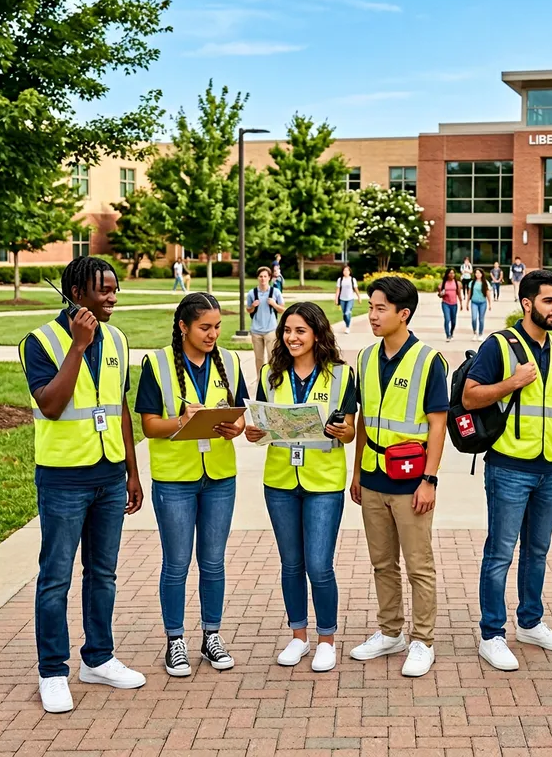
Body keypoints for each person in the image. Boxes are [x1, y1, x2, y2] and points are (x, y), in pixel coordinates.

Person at [18, 256, 145, 714]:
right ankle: (52, 671)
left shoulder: (118, 339)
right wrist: (77, 346)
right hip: (63, 480)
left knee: (104, 574)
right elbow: (51, 405)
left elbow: (120, 407)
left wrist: (132, 471)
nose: (113, 296)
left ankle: (99, 658)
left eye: (115, 287)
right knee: (55, 578)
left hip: (109, 476)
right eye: (103, 289)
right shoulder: (40, 341)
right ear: (76, 294)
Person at [462, 269, 552, 672]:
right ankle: (492, 634)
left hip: (548, 469)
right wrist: (511, 383)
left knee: (538, 551)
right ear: (527, 304)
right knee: (500, 553)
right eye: (549, 301)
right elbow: (469, 395)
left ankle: (530, 622)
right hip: (508, 467)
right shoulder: (499, 346)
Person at [136, 292, 247, 678]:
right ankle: (175, 641)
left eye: (217, 326)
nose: (213, 333)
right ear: (183, 327)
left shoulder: (230, 362)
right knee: (177, 563)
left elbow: (239, 420)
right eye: (205, 327)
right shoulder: (157, 363)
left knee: (213, 562)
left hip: (219, 478)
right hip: (175, 480)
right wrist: (182, 421)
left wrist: (234, 428)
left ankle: (212, 636)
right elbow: (149, 425)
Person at [245, 302, 358, 672]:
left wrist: (345, 431)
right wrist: (254, 433)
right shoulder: (268, 375)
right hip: (279, 480)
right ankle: (298, 636)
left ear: (317, 334)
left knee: (319, 565)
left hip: (324, 481)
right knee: (291, 564)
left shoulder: (342, 375)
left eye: (300, 331)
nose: (292, 338)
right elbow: (259, 428)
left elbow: (351, 429)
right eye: (287, 331)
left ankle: (327, 639)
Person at [349, 276, 449, 678]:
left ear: (402, 314)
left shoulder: (429, 361)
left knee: (418, 565)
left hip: (411, 481)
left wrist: (430, 479)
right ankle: (391, 632)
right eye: (370, 307)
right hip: (373, 480)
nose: (371, 316)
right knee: (382, 563)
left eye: (379, 308)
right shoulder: (364, 358)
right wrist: (356, 471)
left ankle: (423, 640)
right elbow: (362, 421)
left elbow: (437, 425)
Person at [247, 266, 286, 378]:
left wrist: (274, 304)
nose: (263, 279)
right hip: (256, 330)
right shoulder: (252, 293)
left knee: (271, 357)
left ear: (269, 277)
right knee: (259, 358)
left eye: (265, 276)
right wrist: (252, 307)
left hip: (271, 330)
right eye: (260, 276)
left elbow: (283, 309)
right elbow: (248, 309)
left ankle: (271, 378)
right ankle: (260, 380)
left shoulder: (275, 292)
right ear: (258, 278)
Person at [437, 267, 462, 342]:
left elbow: (459, 294)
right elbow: (439, 295)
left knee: (453, 321)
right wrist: (441, 293)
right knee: (447, 319)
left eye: (453, 273)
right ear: (447, 274)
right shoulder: (443, 283)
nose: (452, 274)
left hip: (454, 304)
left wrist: (461, 303)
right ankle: (448, 335)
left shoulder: (457, 283)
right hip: (445, 303)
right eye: (450, 273)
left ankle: (451, 333)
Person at [334, 265, 361, 334]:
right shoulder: (340, 280)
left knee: (347, 313)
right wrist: (336, 299)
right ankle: (347, 322)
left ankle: (347, 327)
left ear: (349, 272)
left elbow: (356, 289)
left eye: (347, 270)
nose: (346, 272)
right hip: (342, 299)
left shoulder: (352, 280)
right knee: (344, 315)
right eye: (344, 270)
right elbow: (338, 290)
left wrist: (359, 297)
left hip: (350, 299)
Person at [469, 267, 493, 342]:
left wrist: (490, 304)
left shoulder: (485, 283)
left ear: (482, 274)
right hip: (474, 302)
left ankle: (480, 334)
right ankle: (474, 332)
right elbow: (469, 294)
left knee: (481, 319)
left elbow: (488, 294)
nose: (477, 274)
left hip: (483, 303)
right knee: (474, 318)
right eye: (476, 273)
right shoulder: (472, 283)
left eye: (479, 273)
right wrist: (466, 303)